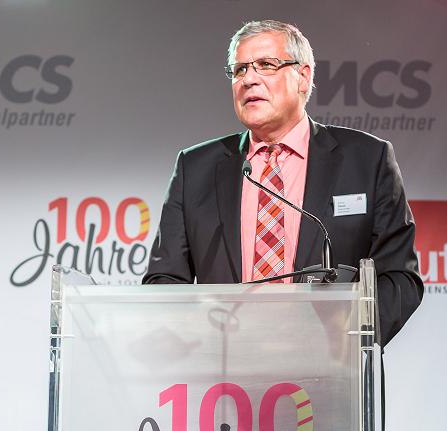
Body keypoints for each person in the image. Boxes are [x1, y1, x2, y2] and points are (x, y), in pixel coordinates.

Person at [143, 19, 422, 346]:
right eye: (239, 70)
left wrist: (342, 340)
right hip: (225, 363)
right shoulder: (195, 168)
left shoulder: (367, 160)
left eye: (266, 65)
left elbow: (399, 278)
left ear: (303, 77)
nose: (249, 79)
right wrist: (202, 340)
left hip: (329, 365)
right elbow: (164, 281)